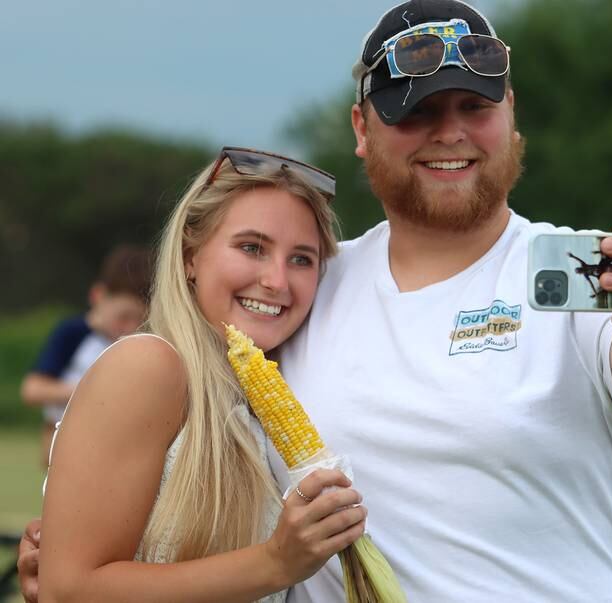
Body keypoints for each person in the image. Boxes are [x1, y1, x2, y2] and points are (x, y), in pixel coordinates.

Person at [20, 1, 612, 601]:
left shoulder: (565, 272)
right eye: (417, 111)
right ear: (363, 129)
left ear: (510, 113)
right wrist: (83, 556)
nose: (450, 131)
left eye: (474, 105)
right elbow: (197, 450)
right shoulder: (308, 289)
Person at [30, 148, 367, 602]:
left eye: (301, 259)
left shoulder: (260, 393)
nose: (277, 281)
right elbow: (68, 592)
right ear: (191, 254)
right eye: (252, 247)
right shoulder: (148, 368)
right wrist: (275, 563)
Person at [20, 244, 152, 468]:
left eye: (139, 319)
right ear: (98, 296)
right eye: (124, 316)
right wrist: (91, 389)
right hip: (64, 442)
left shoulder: (140, 344)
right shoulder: (72, 333)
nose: (130, 327)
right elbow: (32, 389)